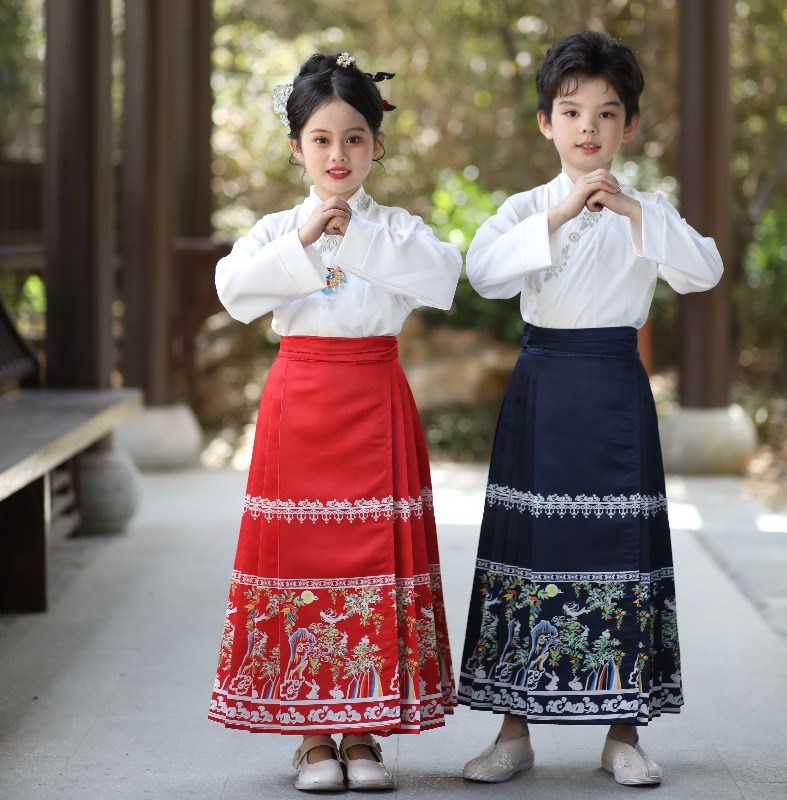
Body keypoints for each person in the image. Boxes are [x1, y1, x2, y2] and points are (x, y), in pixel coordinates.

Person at [457, 30, 723, 787]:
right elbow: (482, 274)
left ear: (628, 126)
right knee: (527, 553)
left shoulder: (649, 210)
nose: (588, 128)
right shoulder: (526, 206)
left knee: (620, 556)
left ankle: (624, 732)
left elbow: (703, 271)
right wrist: (563, 213)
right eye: (571, 111)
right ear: (545, 121)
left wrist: (635, 214)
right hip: (543, 385)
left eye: (607, 114)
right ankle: (514, 730)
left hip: (614, 387)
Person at [208, 52, 461, 793]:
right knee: (302, 563)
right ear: (296, 148)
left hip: (375, 396)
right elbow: (233, 293)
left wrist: (352, 236)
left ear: (378, 144)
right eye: (320, 139)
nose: (338, 154)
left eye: (354, 138)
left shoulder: (400, 229)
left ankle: (365, 730)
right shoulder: (275, 229)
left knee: (375, 562)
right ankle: (312, 737)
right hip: (301, 402)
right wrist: (305, 240)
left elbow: (444, 278)